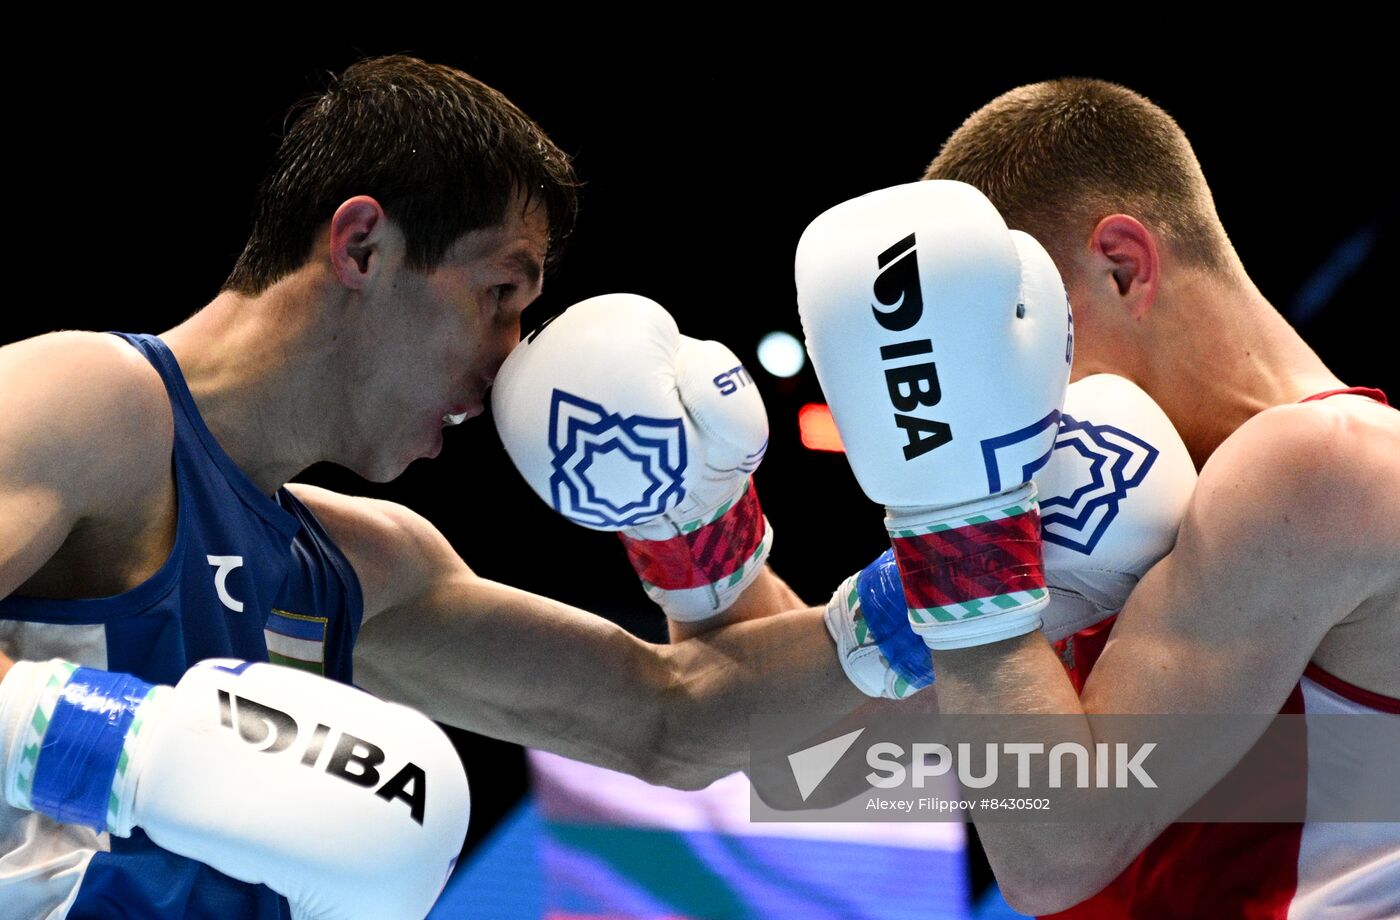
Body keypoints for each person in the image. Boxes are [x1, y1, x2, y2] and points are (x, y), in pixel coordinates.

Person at [802, 79, 1399, 918]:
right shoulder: (1112, 519)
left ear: (1122, 266)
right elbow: (779, 751)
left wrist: (953, 525)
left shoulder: (1327, 464)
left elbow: (1053, 852)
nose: (1017, 402)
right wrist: (690, 533)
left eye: (1026, 336)